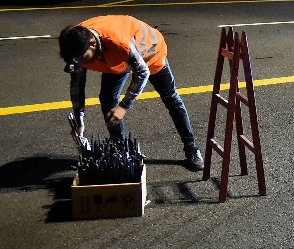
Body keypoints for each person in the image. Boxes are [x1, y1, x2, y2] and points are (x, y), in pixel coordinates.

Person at [58, 15, 204, 170]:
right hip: (116, 59)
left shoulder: (118, 42)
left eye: (82, 60)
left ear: (92, 44)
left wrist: (123, 107)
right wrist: (79, 119)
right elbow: (77, 86)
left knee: (171, 99)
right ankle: (122, 152)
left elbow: (142, 72)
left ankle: (192, 149)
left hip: (150, 53)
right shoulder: (76, 43)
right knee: (107, 99)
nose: (81, 65)